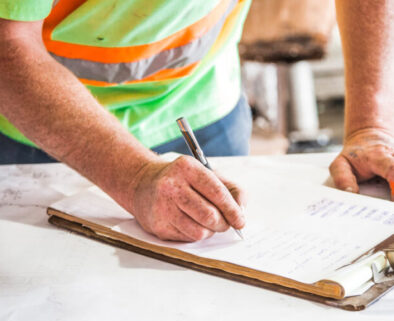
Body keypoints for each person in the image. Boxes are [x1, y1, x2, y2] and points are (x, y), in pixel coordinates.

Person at [0, 0, 392, 242]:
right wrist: (132, 176)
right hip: (38, 130)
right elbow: (7, 45)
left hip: (204, 107)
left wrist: (368, 126)